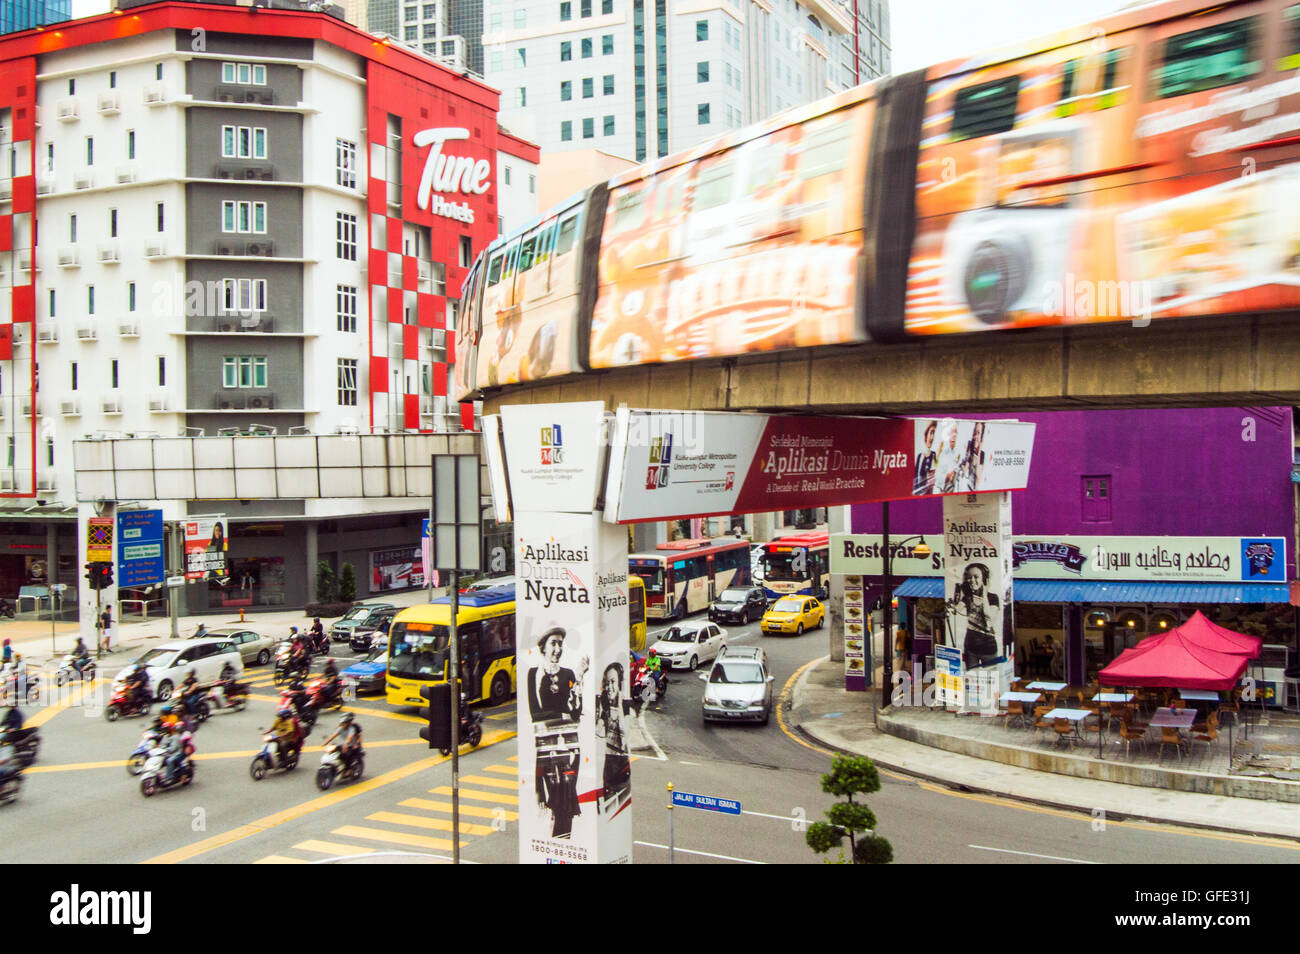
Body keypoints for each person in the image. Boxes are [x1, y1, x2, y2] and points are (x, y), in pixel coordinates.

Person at [526, 628, 587, 723]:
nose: (558, 649)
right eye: (553, 643)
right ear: (544, 647)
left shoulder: (568, 674)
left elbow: (576, 713)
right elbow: (535, 714)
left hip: (568, 735)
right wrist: (561, 715)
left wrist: (579, 677)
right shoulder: (534, 674)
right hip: (544, 735)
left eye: (560, 644)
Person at [949, 562, 1001, 669]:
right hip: (971, 647)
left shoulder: (993, 598)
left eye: (976, 577)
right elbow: (956, 609)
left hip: (988, 647)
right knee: (971, 679)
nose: (972, 580)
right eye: (969, 577)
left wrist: (984, 595)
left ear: (985, 579)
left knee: (990, 680)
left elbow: (989, 618)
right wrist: (952, 604)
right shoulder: (967, 597)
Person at [595, 662, 630, 806]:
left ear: (620, 683)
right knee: (605, 804)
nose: (609, 686)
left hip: (622, 763)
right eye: (606, 682)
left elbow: (624, 738)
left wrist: (619, 704)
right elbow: (598, 731)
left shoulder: (626, 707)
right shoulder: (605, 706)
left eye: (613, 681)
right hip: (608, 761)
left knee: (619, 804)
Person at [912, 420, 938, 496]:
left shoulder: (933, 454)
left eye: (934, 433)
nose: (932, 437)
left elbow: (934, 477)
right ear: (926, 435)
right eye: (931, 433)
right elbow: (916, 477)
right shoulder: (920, 456)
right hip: (920, 494)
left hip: (929, 493)